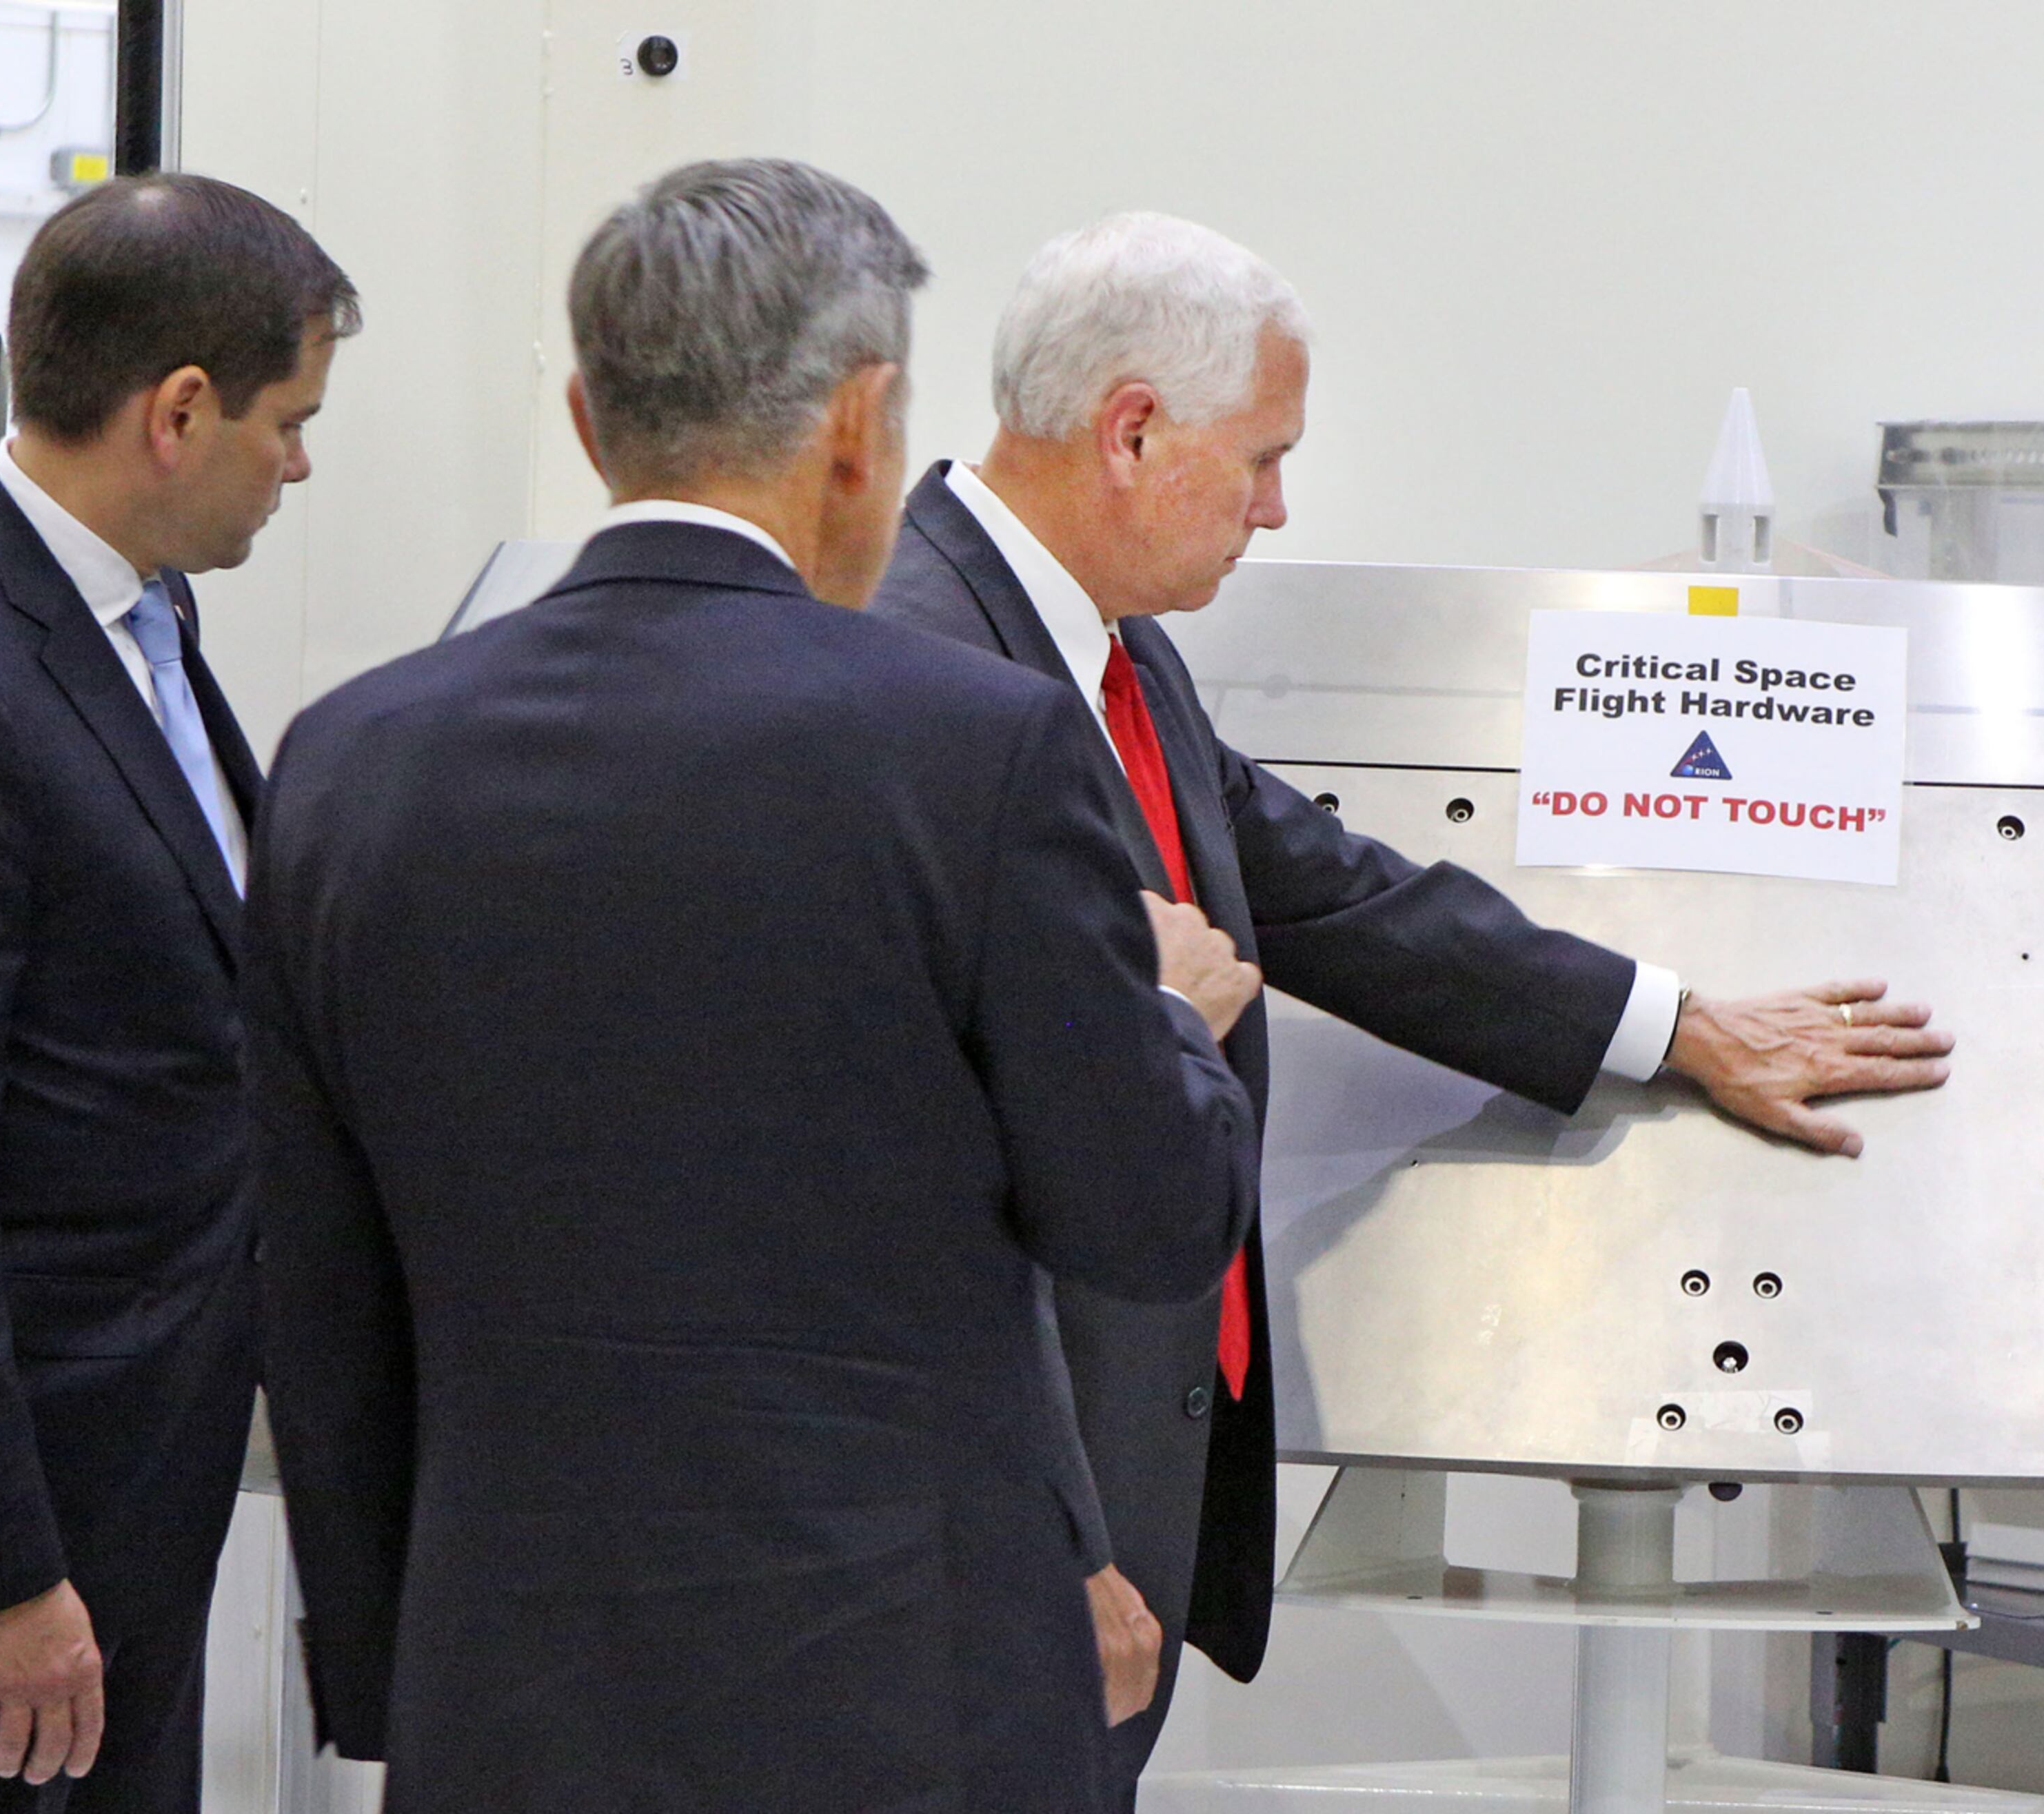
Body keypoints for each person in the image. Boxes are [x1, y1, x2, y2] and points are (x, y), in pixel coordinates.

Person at [867, 211, 1957, 1800]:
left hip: (1123, 1474)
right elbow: (903, 1181)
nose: (1277, 506)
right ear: (1132, 430)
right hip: (1003, 1527)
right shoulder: (911, 665)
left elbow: (1328, 892)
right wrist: (1045, 1534)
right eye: (1262, 459)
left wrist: (1674, 1024)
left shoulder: (1115, 652)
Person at [248, 161, 1262, 1814]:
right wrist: (1166, 1018)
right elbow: (1145, 1217)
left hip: (507, 1695)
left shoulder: (353, 761)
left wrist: (390, 1669)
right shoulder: (977, 751)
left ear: (588, 419)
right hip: (906, 1703)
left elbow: (322, 1286)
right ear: (860, 425)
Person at [0, 174, 355, 1810]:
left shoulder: (141, 613)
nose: (301, 465)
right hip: (30, 1531)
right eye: (289, 421)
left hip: (144, 1473)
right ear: (178, 413)